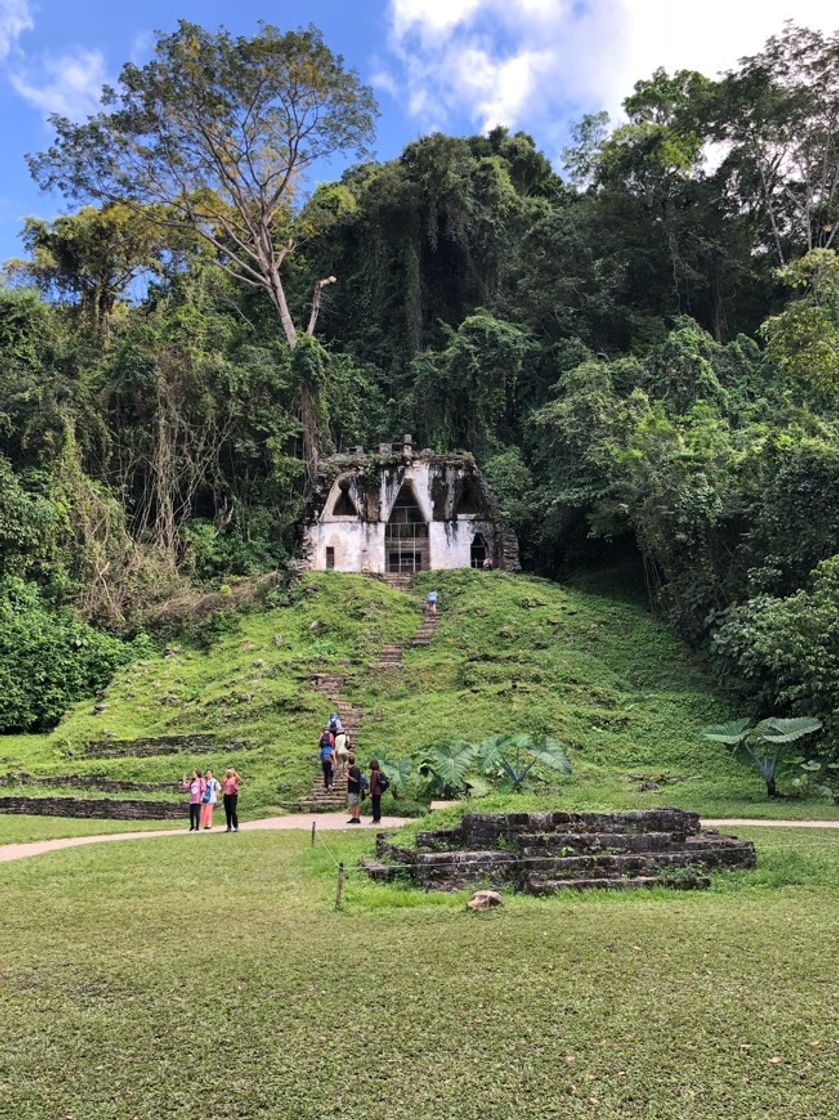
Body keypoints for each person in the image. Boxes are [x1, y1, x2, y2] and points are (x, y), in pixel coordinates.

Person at [223, 768, 241, 832]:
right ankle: (229, 826)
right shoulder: (226, 779)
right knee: (227, 812)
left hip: (233, 796)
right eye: (229, 772)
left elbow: (239, 779)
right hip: (226, 796)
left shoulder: (235, 778)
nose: (229, 773)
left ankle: (236, 826)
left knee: (233, 811)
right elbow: (222, 781)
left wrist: (234, 772)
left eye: (230, 772)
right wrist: (225, 773)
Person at [346, 754, 362, 824]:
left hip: (354, 789)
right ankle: (354, 817)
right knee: (353, 804)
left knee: (355, 803)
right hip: (353, 789)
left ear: (348, 762)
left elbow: (356, 780)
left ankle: (356, 817)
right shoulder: (353, 769)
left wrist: (348, 776)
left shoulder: (355, 769)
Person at [369, 759, 385, 825]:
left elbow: (373, 783)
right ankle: (377, 818)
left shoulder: (374, 772)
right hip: (378, 791)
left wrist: (371, 792)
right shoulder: (378, 772)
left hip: (375, 792)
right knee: (377, 805)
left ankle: (375, 819)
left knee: (375, 805)